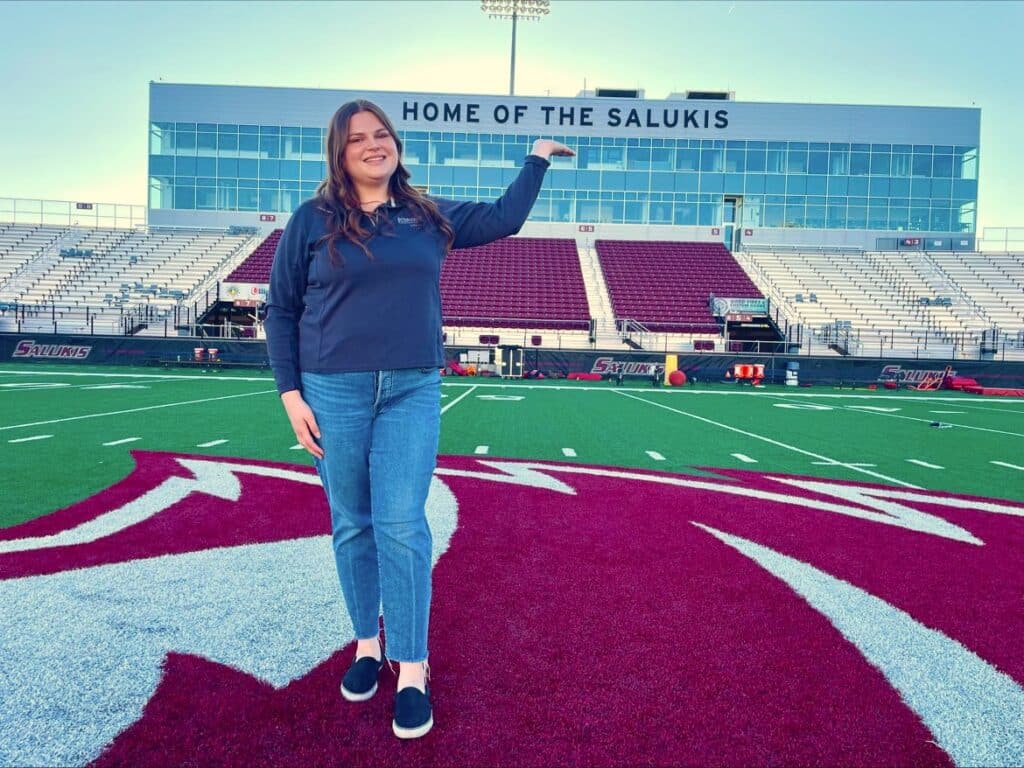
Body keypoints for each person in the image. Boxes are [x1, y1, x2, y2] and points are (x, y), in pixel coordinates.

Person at [264, 98, 573, 740]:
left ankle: (411, 665)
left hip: (412, 386)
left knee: (402, 523)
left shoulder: (425, 215)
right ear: (340, 154)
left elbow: (504, 218)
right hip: (332, 391)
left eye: (382, 134)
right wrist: (291, 395)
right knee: (353, 523)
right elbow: (282, 309)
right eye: (358, 140)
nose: (375, 145)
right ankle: (365, 645)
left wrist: (536, 158)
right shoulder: (312, 219)